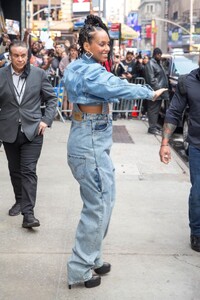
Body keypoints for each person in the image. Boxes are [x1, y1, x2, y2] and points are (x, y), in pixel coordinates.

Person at [63, 14, 167, 289]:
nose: (106, 48)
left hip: (90, 137)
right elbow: (116, 87)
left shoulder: (78, 67)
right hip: (90, 142)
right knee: (97, 206)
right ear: (86, 45)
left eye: (108, 43)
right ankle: (80, 269)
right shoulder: (90, 72)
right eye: (101, 43)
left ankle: (93, 256)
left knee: (105, 200)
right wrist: (149, 92)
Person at [0, 40, 57, 228]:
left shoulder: (39, 74)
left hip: (33, 130)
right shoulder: (1, 75)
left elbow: (51, 99)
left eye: (23, 55)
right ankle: (19, 200)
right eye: (16, 55)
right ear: (10, 55)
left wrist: (45, 120)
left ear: (28, 56)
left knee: (28, 171)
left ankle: (28, 214)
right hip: (9, 131)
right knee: (15, 171)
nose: (19, 59)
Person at [159, 64, 200, 253]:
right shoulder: (187, 82)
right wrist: (165, 143)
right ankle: (197, 233)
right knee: (199, 191)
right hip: (198, 145)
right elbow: (174, 112)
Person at [144, 47, 169, 135]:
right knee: (152, 109)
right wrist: (158, 89)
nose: (160, 56)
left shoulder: (158, 63)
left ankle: (153, 125)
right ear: (155, 54)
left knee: (156, 110)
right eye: (159, 54)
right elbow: (151, 80)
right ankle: (152, 128)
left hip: (160, 91)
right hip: (155, 91)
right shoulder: (150, 64)